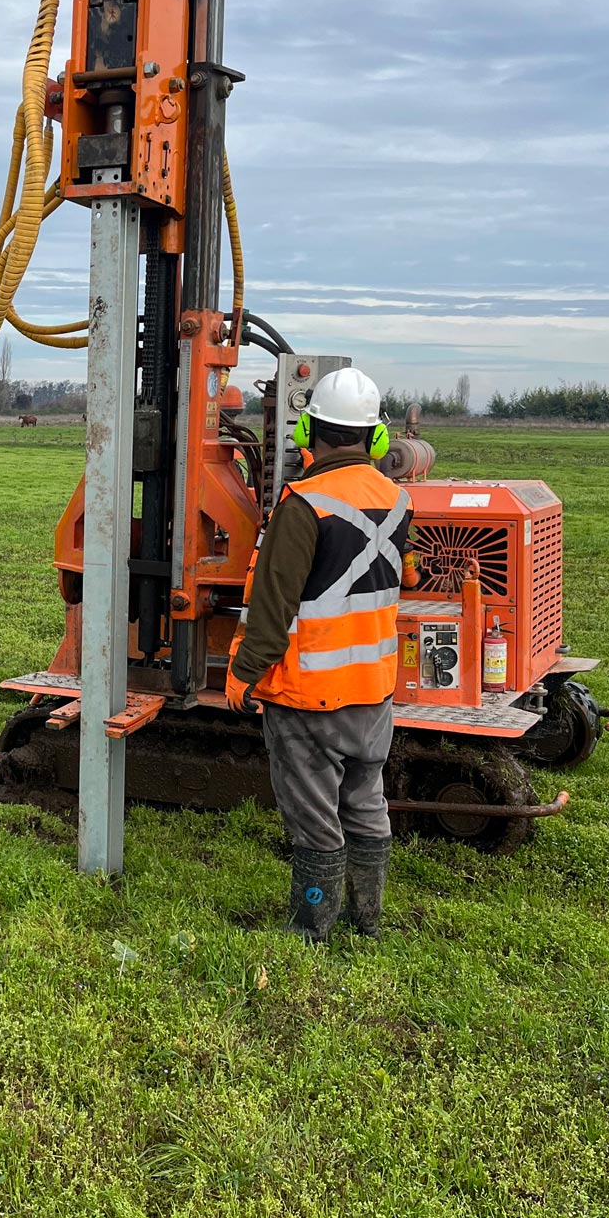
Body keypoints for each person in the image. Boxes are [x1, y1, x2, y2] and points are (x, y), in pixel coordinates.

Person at [225, 368, 410, 942]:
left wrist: (243, 674)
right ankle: (368, 920)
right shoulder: (398, 499)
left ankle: (311, 927)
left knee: (314, 819)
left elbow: (272, 608)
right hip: (372, 691)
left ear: (307, 430)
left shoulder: (302, 505)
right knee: (364, 802)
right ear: (376, 439)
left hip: (309, 696)